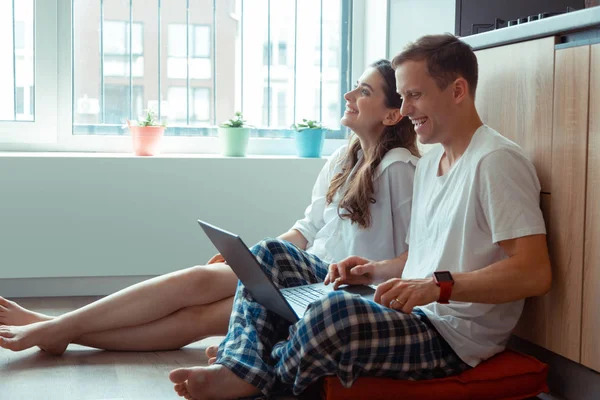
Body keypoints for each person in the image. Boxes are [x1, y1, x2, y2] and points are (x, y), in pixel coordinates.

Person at [168, 34, 552, 400]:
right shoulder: (431, 158)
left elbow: (533, 272)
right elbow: (423, 254)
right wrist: (375, 269)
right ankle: (243, 364)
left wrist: (439, 288)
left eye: (415, 96)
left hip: (451, 336)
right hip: (411, 310)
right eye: (402, 97)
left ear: (457, 91)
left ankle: (251, 372)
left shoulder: (496, 161)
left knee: (332, 312)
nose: (404, 111)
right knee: (269, 255)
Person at [0, 59, 419, 358]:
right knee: (202, 282)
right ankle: (56, 329)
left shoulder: (399, 167)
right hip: (303, 269)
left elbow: (414, 255)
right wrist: (258, 255)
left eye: (364, 91)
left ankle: (56, 328)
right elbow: (306, 229)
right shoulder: (342, 160)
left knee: (202, 314)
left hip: (336, 289)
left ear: (391, 113)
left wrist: (368, 273)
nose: (349, 95)